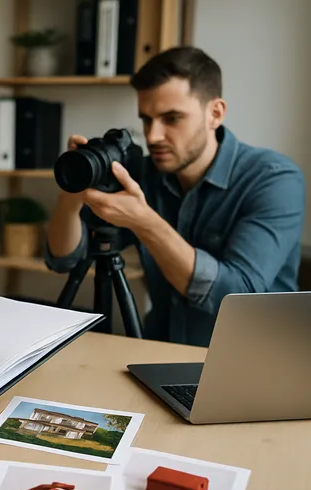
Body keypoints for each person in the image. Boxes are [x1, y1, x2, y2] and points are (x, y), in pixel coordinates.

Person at [45, 46, 305, 347]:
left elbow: (235, 297)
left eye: (171, 119)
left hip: (249, 363)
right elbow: (64, 259)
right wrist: (72, 195)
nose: (153, 136)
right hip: (158, 352)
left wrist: (146, 223)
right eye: (146, 119)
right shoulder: (146, 175)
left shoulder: (273, 179)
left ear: (215, 113)